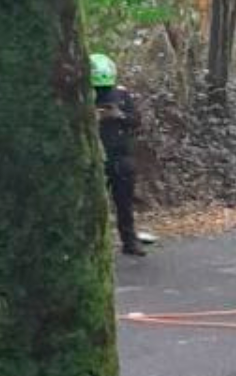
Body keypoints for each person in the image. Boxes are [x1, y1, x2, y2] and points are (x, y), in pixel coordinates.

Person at [90, 53, 146, 256]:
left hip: (121, 156)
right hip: (96, 156)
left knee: (124, 202)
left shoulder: (122, 95)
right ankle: (96, 246)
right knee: (94, 204)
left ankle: (130, 241)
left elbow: (136, 120)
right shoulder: (84, 95)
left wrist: (118, 115)